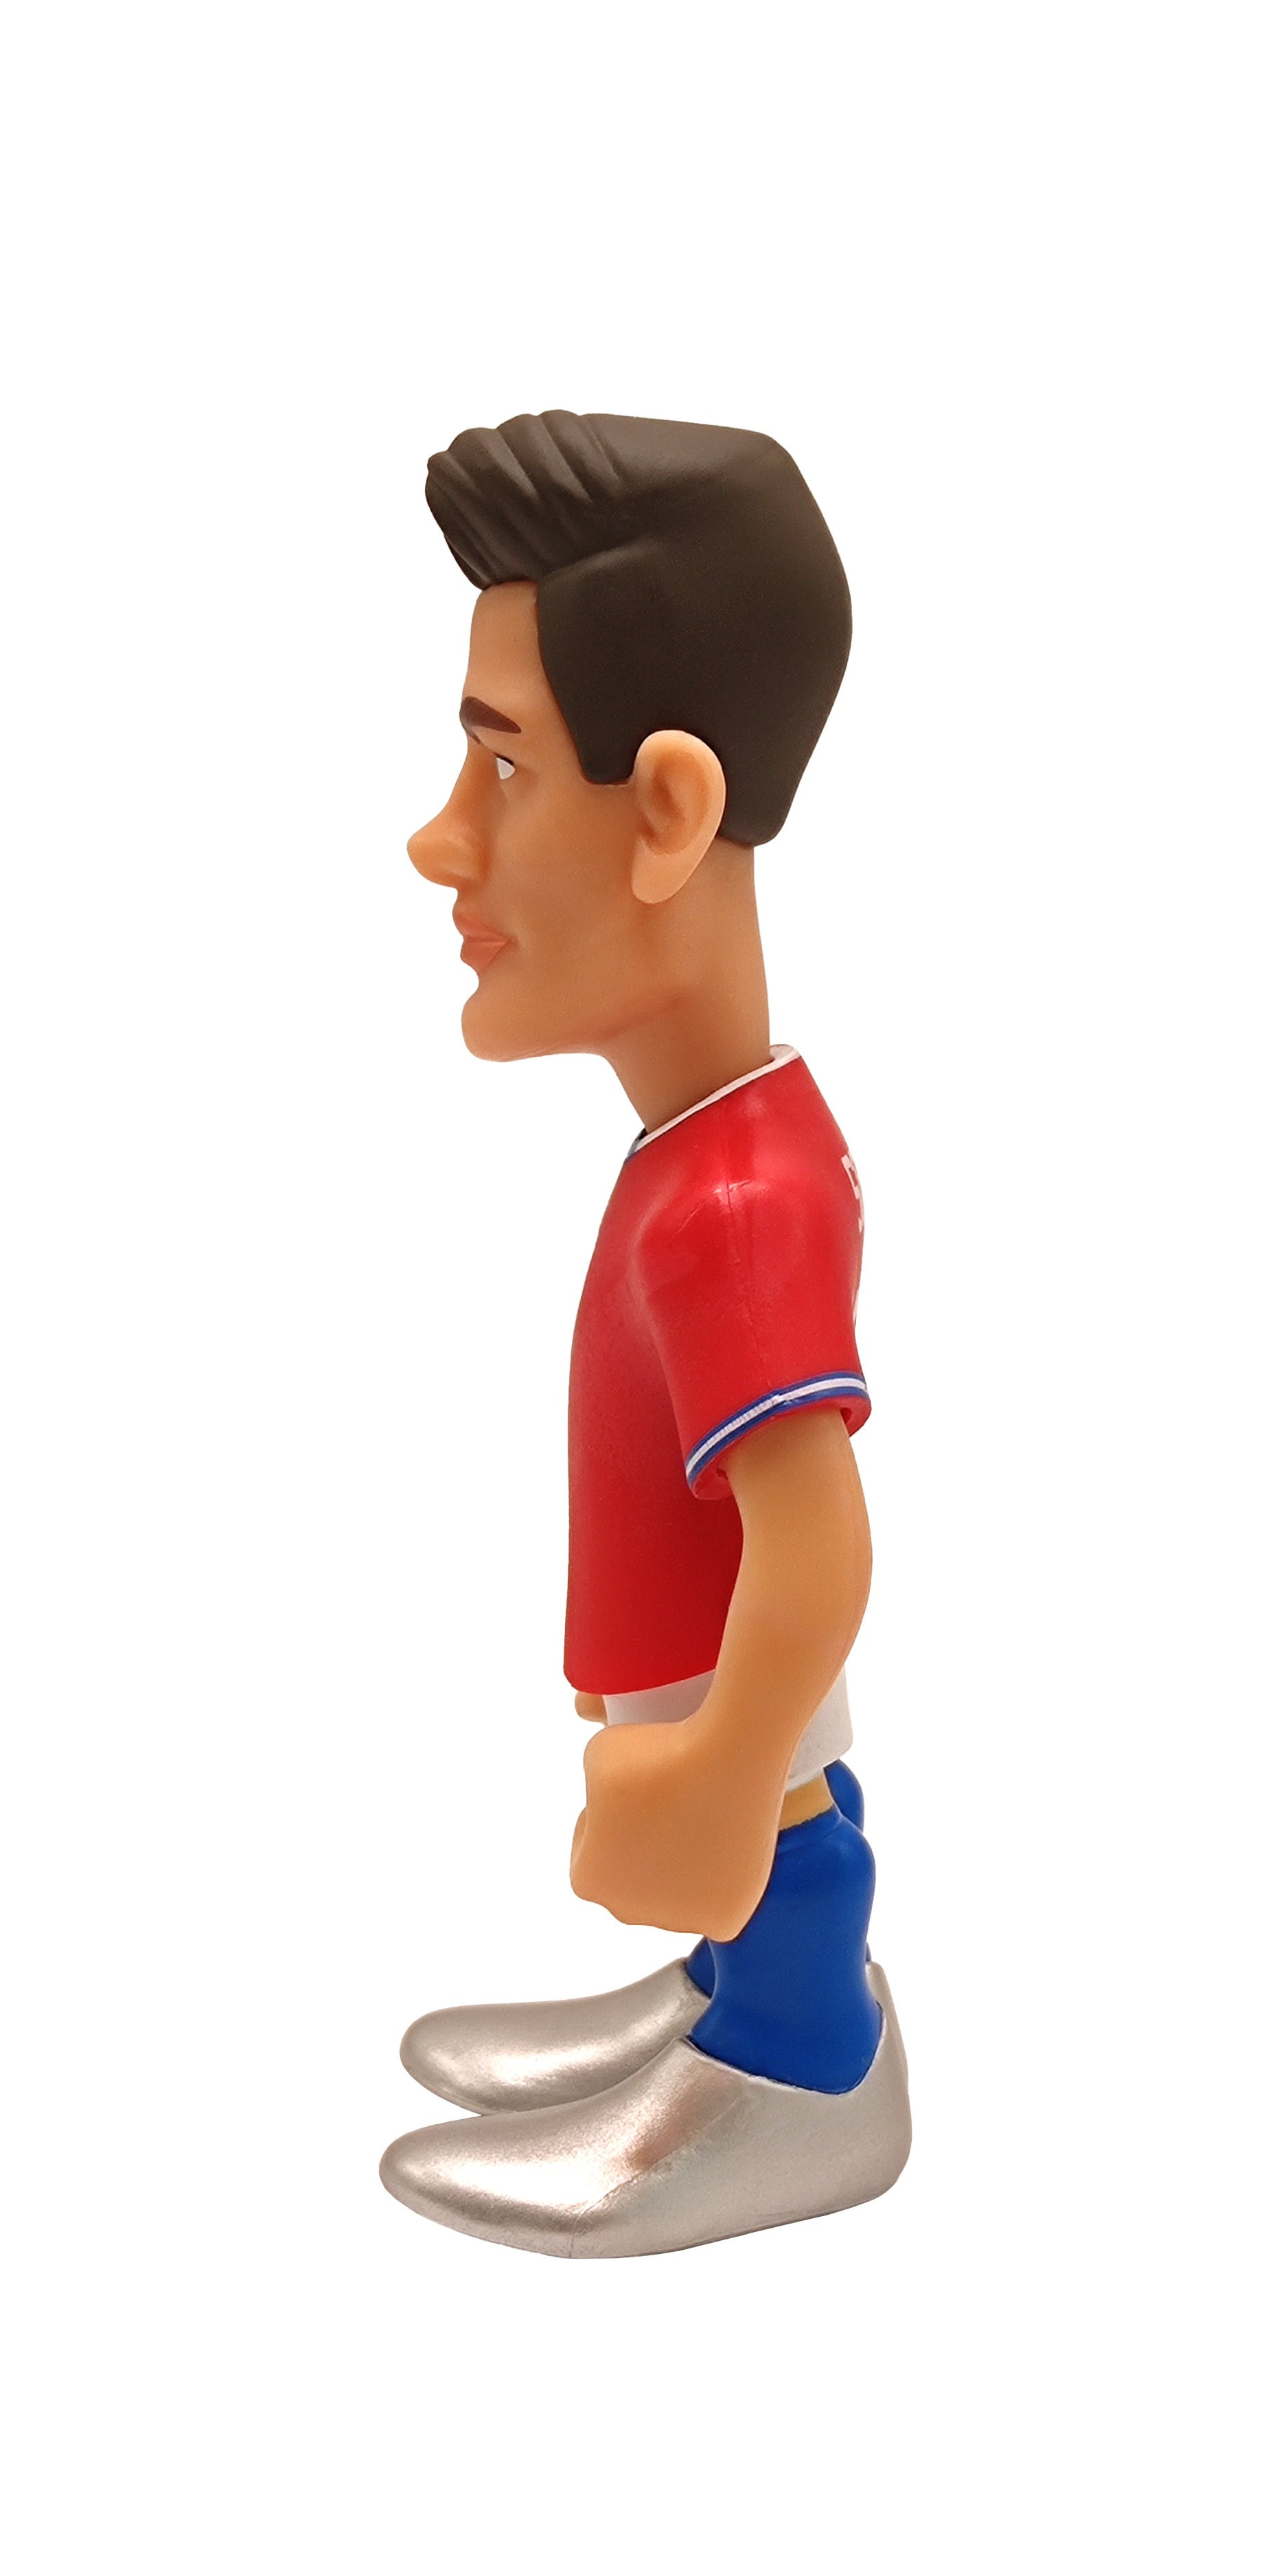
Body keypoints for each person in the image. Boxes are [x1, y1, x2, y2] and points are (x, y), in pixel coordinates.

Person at [379, 411, 910, 2256]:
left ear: (667, 814)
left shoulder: (736, 1202)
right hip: (701, 1705)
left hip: (732, 1730)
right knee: (767, 1839)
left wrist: (714, 1776)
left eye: (503, 767)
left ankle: (802, 2067)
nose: (442, 840)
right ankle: (724, 1994)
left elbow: (817, 1543)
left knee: (789, 1837)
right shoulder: (708, 1150)